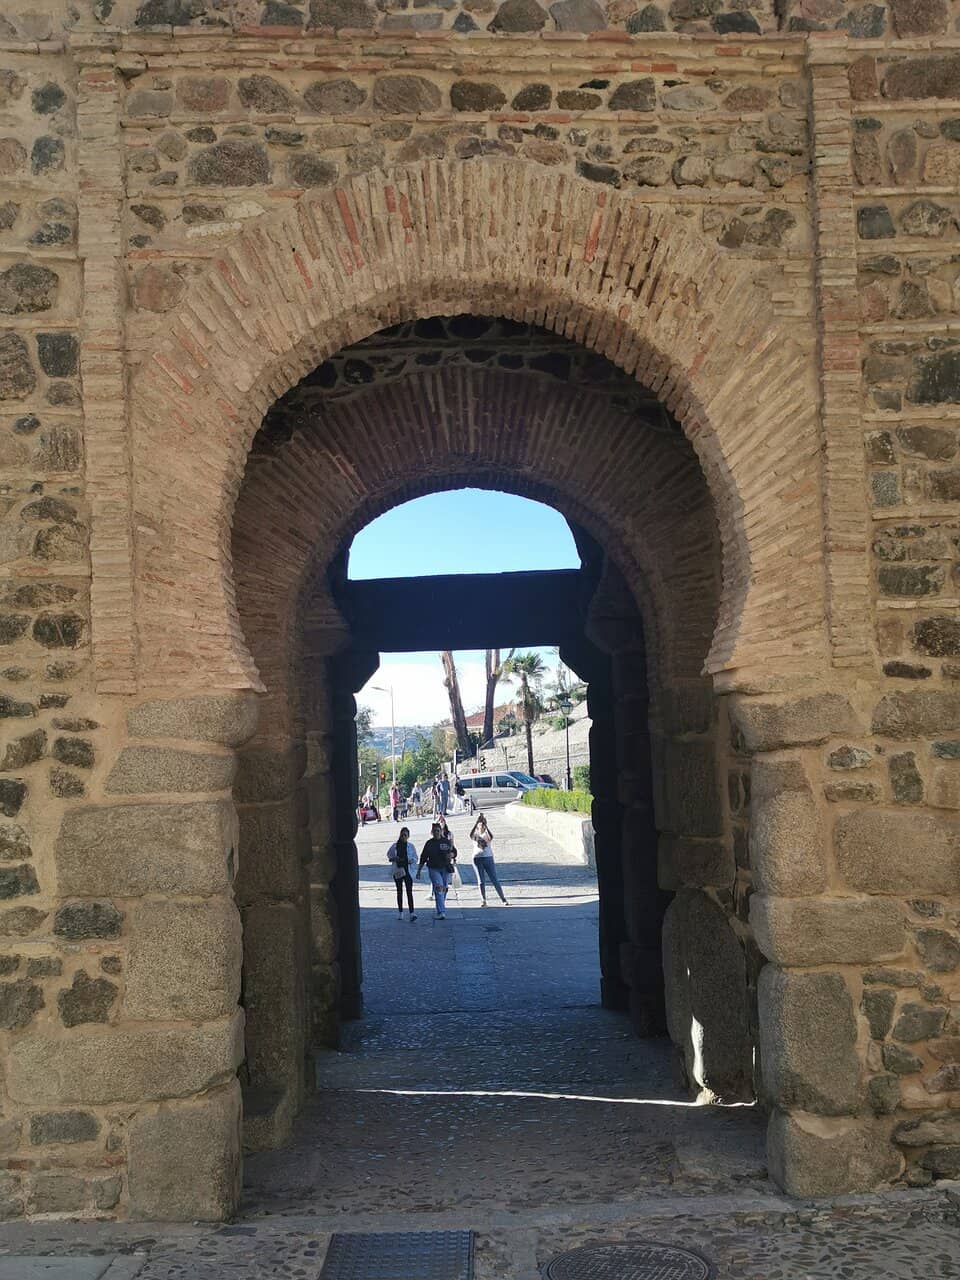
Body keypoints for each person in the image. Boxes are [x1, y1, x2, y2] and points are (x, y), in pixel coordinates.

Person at [417, 822, 457, 919]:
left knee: (444, 889)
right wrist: (419, 870)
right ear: (432, 832)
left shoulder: (446, 841)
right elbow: (423, 857)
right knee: (439, 888)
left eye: (438, 831)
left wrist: (451, 855)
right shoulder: (429, 843)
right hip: (433, 868)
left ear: (441, 831)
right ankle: (441, 912)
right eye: (434, 831)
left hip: (445, 868)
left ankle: (440, 906)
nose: (436, 833)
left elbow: (454, 852)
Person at [470, 813, 508, 906]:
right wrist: (476, 822)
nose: (481, 826)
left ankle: (503, 899)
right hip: (477, 858)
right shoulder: (475, 836)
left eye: (482, 825)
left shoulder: (486, 835)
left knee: (494, 879)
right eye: (480, 825)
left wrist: (486, 825)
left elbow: (491, 836)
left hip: (488, 858)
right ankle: (483, 900)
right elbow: (470, 834)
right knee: (481, 880)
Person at [387, 827, 417, 921]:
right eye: (402, 835)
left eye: (405, 835)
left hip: (408, 870)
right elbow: (389, 856)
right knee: (399, 891)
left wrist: (411, 861)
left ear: (408, 836)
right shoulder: (395, 846)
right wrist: (394, 858)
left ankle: (412, 913)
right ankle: (400, 912)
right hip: (398, 870)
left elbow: (416, 858)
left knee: (409, 892)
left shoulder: (411, 846)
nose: (403, 837)